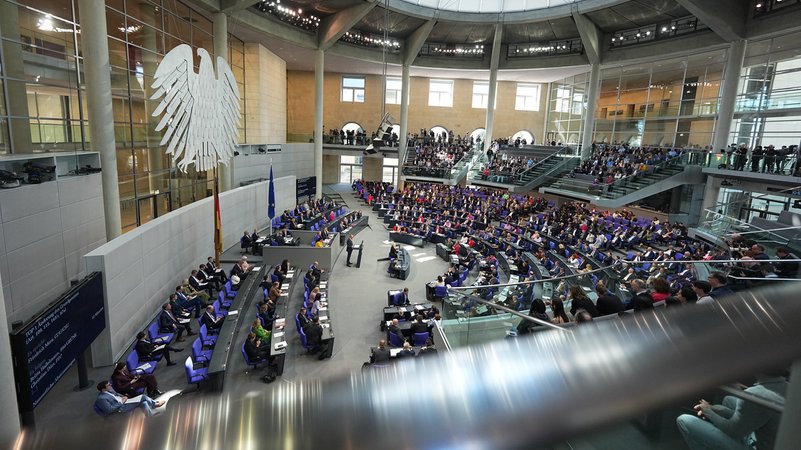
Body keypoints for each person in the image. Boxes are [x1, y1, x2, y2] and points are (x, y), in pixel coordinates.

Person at [677, 372, 788, 450]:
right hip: (767, 440)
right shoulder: (788, 386)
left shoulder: (755, 394)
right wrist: (718, 410)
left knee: (684, 420)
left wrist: (708, 412)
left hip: (755, 445)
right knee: (728, 400)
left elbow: (734, 431)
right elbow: (756, 417)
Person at [94, 381, 164, 417]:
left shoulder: (109, 390)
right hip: (120, 408)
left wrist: (123, 397)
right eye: (108, 385)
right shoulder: (101, 399)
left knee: (144, 403)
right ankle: (155, 404)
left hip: (124, 402)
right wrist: (121, 402)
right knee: (143, 397)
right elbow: (109, 410)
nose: (110, 385)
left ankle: (150, 417)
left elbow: (117, 394)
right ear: (103, 389)